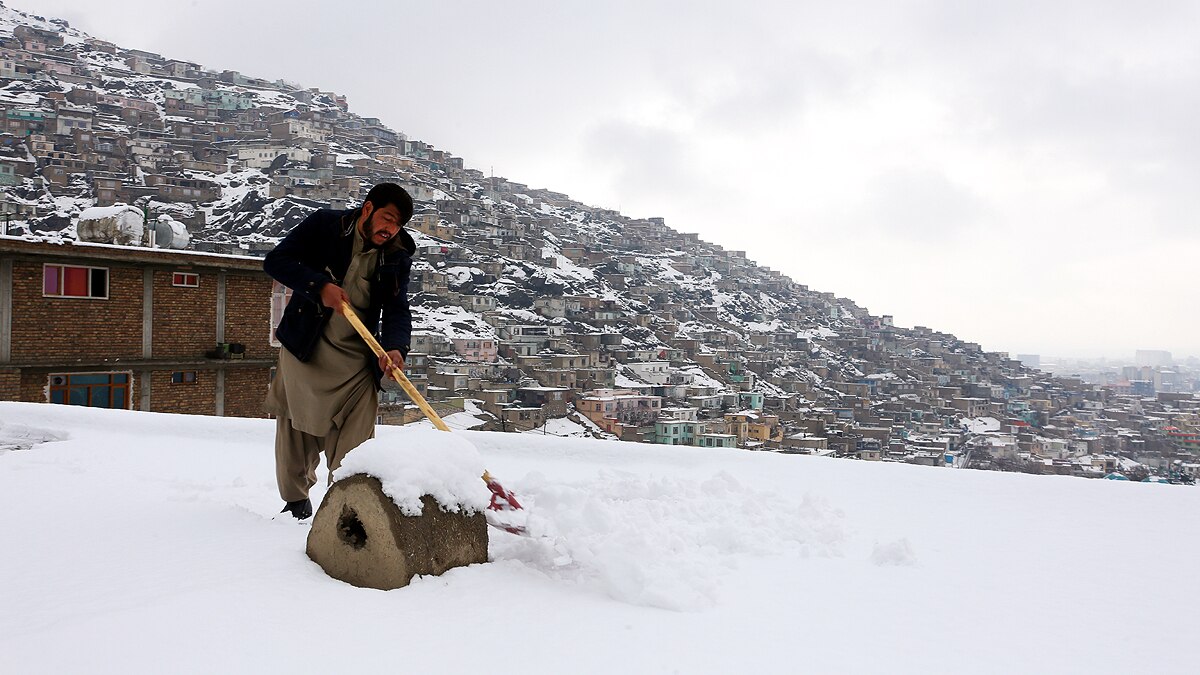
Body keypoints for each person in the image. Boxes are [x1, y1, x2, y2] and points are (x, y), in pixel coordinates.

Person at [263, 183, 415, 519]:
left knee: (356, 447)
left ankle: (344, 514)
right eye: (387, 218)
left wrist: (395, 347)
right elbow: (276, 261)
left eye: (398, 224)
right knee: (295, 431)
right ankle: (295, 506)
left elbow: (396, 308)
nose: (391, 229)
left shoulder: (397, 254)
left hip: (357, 361)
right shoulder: (324, 226)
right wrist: (319, 287)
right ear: (367, 209)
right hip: (307, 348)